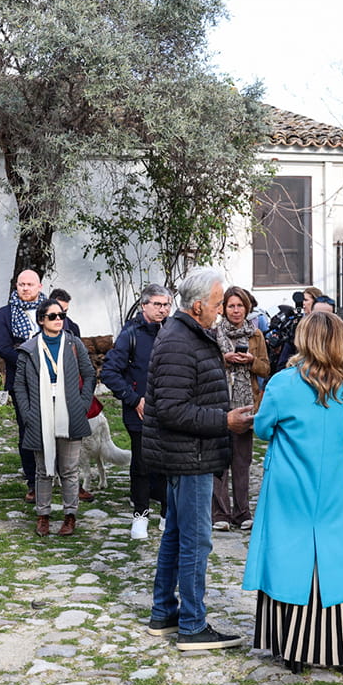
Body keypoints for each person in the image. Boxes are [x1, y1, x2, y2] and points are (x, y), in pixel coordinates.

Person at [243, 309, 343, 677]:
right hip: (332, 481)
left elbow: (262, 428)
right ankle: (340, 646)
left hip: (289, 479)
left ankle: (291, 644)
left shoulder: (283, 383)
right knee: (333, 555)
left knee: (288, 553)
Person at [142, 266, 255, 651]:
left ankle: (164, 613)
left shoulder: (188, 334)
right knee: (194, 541)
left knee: (176, 534)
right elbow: (172, 409)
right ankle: (192, 625)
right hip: (189, 456)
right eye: (217, 303)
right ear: (197, 306)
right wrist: (224, 421)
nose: (221, 309)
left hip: (191, 454)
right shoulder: (179, 340)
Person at [11, 297, 96, 536]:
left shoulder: (73, 343)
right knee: (43, 469)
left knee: (69, 469)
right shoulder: (29, 349)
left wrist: (82, 404)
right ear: (41, 320)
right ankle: (43, 515)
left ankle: (70, 516)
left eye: (61, 316)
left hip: (70, 411)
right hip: (40, 412)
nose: (58, 320)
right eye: (53, 316)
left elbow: (90, 374)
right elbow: (19, 385)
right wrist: (27, 413)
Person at [101, 283, 171, 540]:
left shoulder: (173, 331)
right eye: (157, 304)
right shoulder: (130, 334)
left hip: (169, 410)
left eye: (166, 305)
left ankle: (167, 513)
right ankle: (140, 514)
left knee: (167, 464)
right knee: (142, 465)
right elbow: (109, 372)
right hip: (139, 411)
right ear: (144, 306)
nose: (162, 309)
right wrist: (133, 399)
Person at [214, 285, 270, 531]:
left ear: (247, 309)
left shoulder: (256, 335)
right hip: (219, 402)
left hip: (246, 404)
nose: (236, 310)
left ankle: (242, 512)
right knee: (219, 460)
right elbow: (205, 366)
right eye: (231, 306)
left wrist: (251, 361)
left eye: (240, 306)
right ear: (224, 309)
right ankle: (220, 514)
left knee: (242, 461)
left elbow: (266, 369)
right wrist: (224, 360)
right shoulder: (214, 333)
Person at [0, 268, 42, 390]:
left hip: (49, 376)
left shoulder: (51, 310)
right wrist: (29, 363)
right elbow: (4, 348)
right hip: (18, 377)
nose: (25, 288)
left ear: (39, 287)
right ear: (16, 286)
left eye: (30, 284)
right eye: (22, 285)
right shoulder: (4, 314)